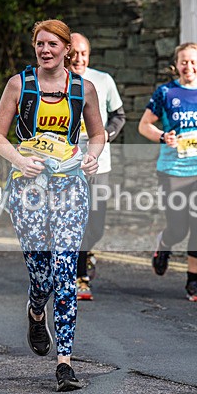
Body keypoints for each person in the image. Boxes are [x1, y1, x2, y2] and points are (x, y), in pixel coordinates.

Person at [0, 19, 105, 391]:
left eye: (53, 44)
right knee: (41, 272)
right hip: (27, 188)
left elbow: (98, 133)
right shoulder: (19, 85)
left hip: (70, 185)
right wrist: (20, 161)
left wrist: (93, 155)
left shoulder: (83, 88)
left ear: (66, 49)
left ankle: (65, 363)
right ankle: (36, 310)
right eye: (40, 43)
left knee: (66, 269)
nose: (45, 49)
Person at [138, 42, 197, 302]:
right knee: (178, 228)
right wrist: (162, 136)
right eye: (183, 62)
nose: (188, 66)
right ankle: (165, 244)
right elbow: (144, 126)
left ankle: (193, 282)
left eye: (193, 62)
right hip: (173, 170)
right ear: (176, 65)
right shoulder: (165, 92)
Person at [69, 32, 126, 301]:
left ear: (89, 55)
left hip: (99, 163)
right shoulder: (56, 81)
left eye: (83, 53)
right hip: (67, 165)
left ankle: (87, 252)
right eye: (74, 52)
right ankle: (80, 277)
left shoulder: (103, 80)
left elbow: (119, 115)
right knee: (77, 221)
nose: (78, 58)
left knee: (97, 225)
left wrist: (104, 135)